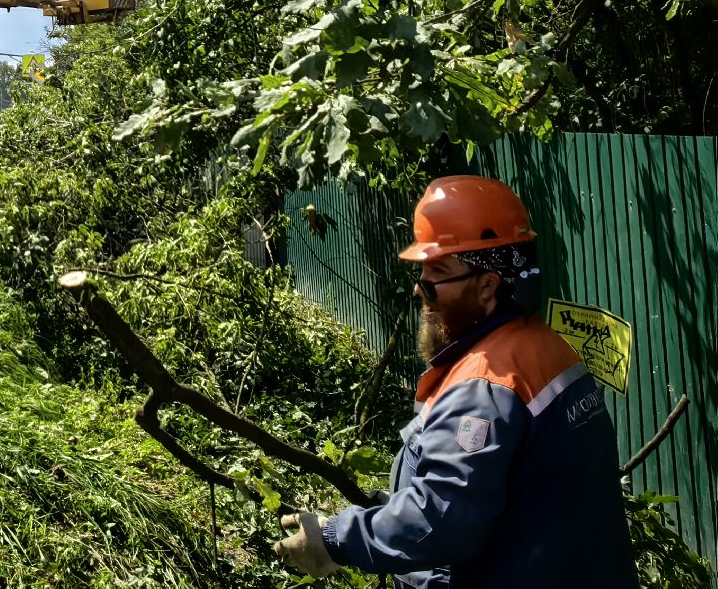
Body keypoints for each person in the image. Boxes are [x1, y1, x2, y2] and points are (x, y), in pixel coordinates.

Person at [274, 175, 639, 587]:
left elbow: (442, 520)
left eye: (436, 275)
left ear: (487, 285)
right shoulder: (545, 348)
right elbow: (506, 494)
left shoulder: (486, 385)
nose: (419, 289)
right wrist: (391, 512)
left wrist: (334, 539)